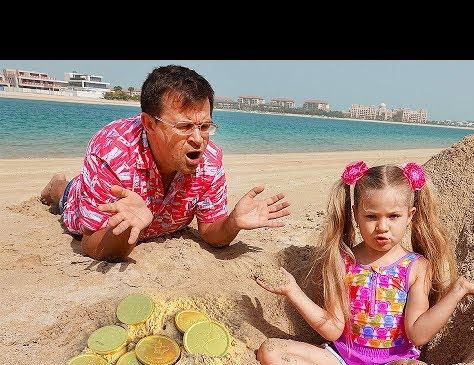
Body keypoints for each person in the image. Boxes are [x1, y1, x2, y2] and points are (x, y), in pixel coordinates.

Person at [255, 160, 474, 365]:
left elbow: (418, 334)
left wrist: (457, 291)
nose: (382, 227)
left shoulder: (416, 267)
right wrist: (294, 292)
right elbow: (333, 330)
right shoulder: (342, 261)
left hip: (391, 364)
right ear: (356, 215)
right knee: (270, 351)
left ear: (410, 216)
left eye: (394, 216)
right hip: (341, 360)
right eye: (371, 216)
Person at [40, 65, 290, 261]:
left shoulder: (210, 160)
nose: (198, 139)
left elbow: (210, 231)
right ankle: (56, 186)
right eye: (184, 127)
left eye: (204, 126)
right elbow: (91, 242)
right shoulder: (109, 153)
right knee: (66, 196)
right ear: (149, 124)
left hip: (147, 214)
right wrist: (126, 230)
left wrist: (231, 223)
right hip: (85, 196)